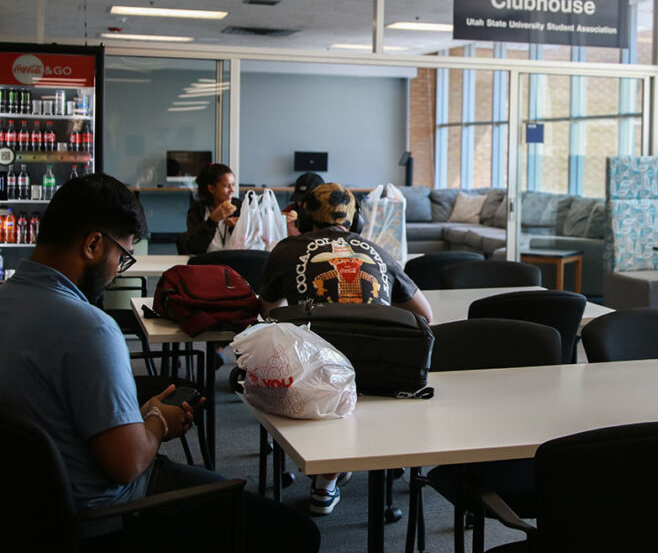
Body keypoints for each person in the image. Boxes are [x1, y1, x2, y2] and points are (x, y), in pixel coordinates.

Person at [0, 174, 319, 551]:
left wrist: (134, 418)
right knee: (296, 534)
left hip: (26, 511)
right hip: (106, 516)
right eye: (122, 255)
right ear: (92, 245)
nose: (119, 269)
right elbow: (128, 463)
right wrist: (155, 422)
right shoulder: (89, 330)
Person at [259, 182, 432, 514]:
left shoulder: (286, 249)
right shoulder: (377, 251)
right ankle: (328, 478)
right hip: (380, 371)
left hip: (312, 374)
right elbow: (425, 315)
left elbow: (267, 311)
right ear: (356, 222)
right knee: (350, 369)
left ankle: (327, 476)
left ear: (307, 217)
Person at [179, 162, 241, 255]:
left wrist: (239, 226)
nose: (232, 190)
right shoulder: (197, 210)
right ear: (211, 189)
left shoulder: (239, 206)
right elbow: (194, 248)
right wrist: (212, 221)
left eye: (233, 184)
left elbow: (250, 243)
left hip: (235, 262)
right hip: (208, 264)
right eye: (226, 186)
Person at [282, 172, 324, 237]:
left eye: (306, 200)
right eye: (299, 199)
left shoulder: (327, 213)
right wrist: (283, 223)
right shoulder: (290, 210)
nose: (302, 203)